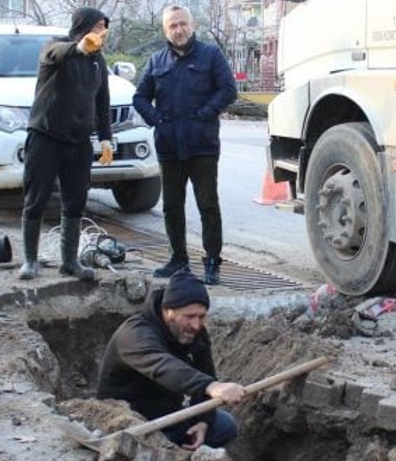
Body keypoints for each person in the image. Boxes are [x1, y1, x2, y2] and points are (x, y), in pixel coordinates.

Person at [132, 5, 237, 285]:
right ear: (165, 30)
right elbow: (140, 97)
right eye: (172, 26)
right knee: (172, 207)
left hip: (202, 145)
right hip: (169, 147)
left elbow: (228, 90)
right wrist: (157, 120)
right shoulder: (156, 61)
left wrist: (204, 114)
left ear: (192, 26)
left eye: (182, 24)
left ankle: (212, 262)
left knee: (208, 205)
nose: (178, 30)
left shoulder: (211, 55)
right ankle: (178, 259)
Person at [97, 270, 244, 449]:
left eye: (202, 316)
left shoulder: (194, 332)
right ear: (167, 312)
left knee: (224, 426)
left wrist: (202, 422)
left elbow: (205, 373)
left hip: (170, 417)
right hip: (130, 424)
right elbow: (164, 367)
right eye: (189, 316)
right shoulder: (135, 334)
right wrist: (212, 386)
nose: (196, 325)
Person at [17, 7, 113, 281]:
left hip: (79, 141)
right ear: (83, 27)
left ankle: (69, 262)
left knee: (75, 201)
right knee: (36, 199)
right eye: (97, 27)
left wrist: (106, 138)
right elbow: (54, 54)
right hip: (46, 136)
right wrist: (78, 47)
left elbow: (102, 101)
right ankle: (30, 260)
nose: (101, 33)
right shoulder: (56, 48)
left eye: (104, 28)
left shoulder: (98, 61)